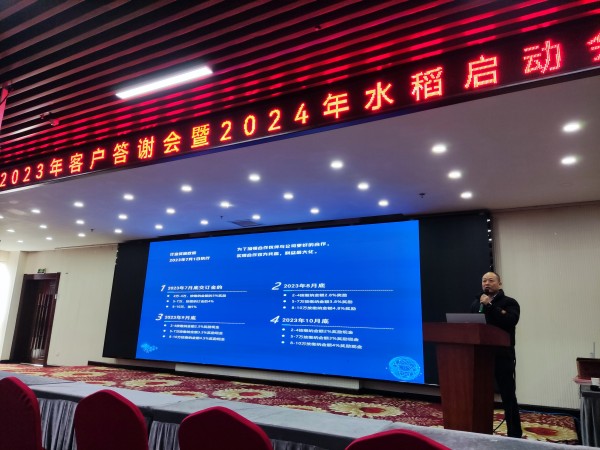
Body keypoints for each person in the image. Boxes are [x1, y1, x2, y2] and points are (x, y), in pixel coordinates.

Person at [471, 271, 523, 438]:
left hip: (502, 355)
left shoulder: (509, 302)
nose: (486, 283)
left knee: (508, 395)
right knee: (478, 394)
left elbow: (510, 320)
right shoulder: (476, 303)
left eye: (491, 280)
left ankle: (514, 434)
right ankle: (478, 430)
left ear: (499, 284)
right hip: (480, 356)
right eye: (484, 280)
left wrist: (490, 306)